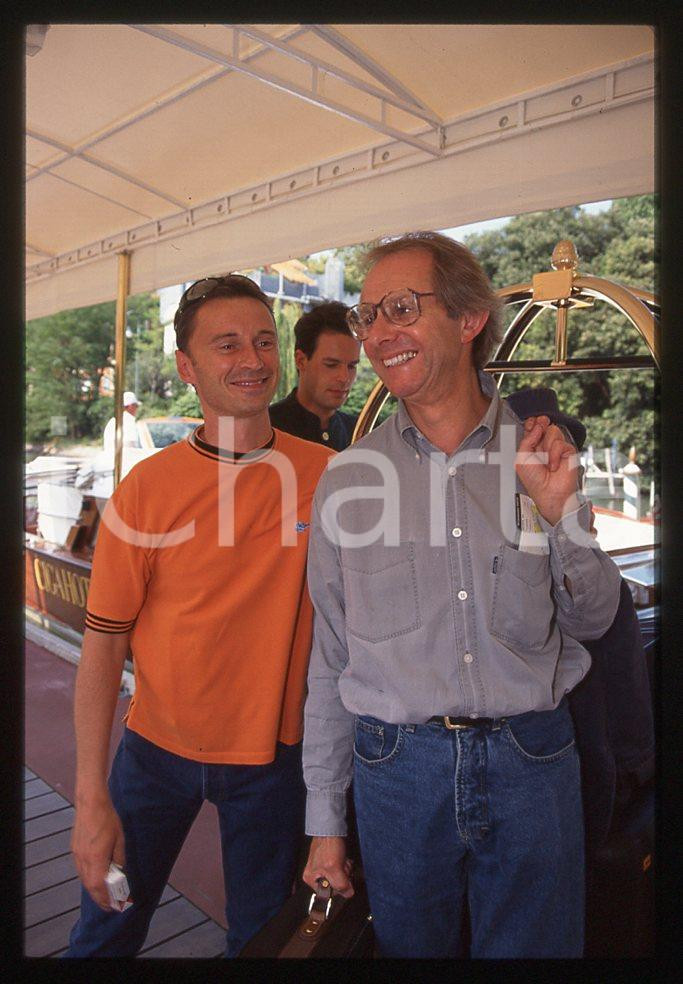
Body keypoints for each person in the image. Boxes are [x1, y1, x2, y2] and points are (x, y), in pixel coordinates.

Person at [300, 232, 623, 958]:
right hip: (396, 772)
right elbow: (332, 659)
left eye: (401, 309)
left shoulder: (540, 455)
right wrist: (324, 821)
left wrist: (559, 514)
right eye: (367, 316)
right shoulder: (347, 479)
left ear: (469, 318)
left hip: (531, 761)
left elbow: (595, 617)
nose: (377, 334)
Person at [66, 274, 333, 957]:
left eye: (264, 341)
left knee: (260, 941)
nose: (252, 359)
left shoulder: (331, 476)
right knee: (106, 930)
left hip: (276, 759)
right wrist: (91, 798)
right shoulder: (145, 490)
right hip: (154, 752)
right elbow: (103, 647)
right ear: (187, 367)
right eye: (227, 344)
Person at [269, 301, 360, 450]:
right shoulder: (266, 429)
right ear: (301, 361)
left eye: (352, 366)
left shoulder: (362, 432)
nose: (345, 378)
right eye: (331, 365)